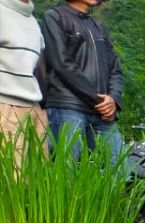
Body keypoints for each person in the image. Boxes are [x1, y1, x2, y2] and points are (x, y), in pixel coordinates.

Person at [40, 0, 125, 162]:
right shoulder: (55, 17)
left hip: (101, 112)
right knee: (68, 172)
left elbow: (115, 69)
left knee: (121, 171)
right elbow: (61, 64)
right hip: (67, 107)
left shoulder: (98, 27)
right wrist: (99, 100)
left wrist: (113, 99)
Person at [0, 0, 47, 148]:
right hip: (6, 107)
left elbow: (37, 68)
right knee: (12, 171)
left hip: (35, 109)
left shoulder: (33, 21)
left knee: (40, 171)